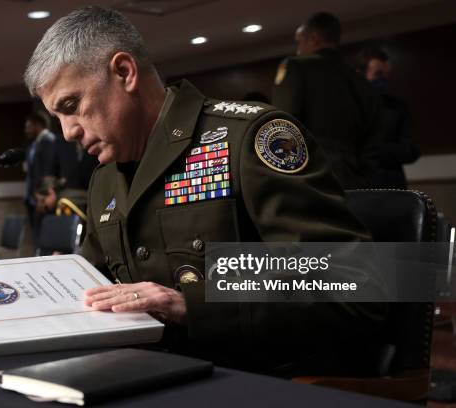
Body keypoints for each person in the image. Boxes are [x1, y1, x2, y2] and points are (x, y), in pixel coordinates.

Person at [24, 6, 386, 376]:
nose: (68, 131)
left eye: (72, 106)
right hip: (148, 374)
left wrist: (189, 304)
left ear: (124, 72)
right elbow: (92, 286)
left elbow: (354, 284)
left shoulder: (249, 138)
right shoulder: (105, 178)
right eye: (58, 117)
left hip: (254, 379)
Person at [272, 12, 381, 189]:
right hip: (357, 176)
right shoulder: (359, 79)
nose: (298, 48)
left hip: (312, 174)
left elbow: (284, 124)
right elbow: (374, 135)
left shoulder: (296, 66)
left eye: (299, 41)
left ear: (313, 38)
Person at [357, 47, 420, 189]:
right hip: (358, 188)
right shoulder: (349, 107)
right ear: (360, 74)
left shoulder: (398, 107)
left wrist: (370, 149)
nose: (383, 80)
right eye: (378, 74)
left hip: (392, 187)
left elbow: (410, 150)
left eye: (386, 75)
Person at [23, 113, 58, 242]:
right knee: (37, 236)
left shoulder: (48, 141)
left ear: (38, 125)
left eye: (28, 127)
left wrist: (42, 196)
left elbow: (48, 170)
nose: (26, 130)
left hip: (42, 198)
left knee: (45, 237)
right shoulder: (34, 144)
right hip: (33, 197)